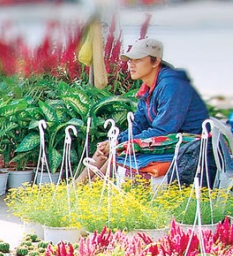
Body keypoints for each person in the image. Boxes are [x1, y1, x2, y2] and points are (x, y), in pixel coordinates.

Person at [84, 38, 215, 186]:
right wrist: (116, 140)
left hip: (192, 147)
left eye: (138, 60)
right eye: (129, 60)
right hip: (169, 141)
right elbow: (138, 125)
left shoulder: (171, 85)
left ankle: (92, 190)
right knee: (106, 149)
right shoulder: (147, 89)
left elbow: (163, 129)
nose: (131, 64)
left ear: (155, 61)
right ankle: (76, 188)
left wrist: (121, 143)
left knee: (120, 150)